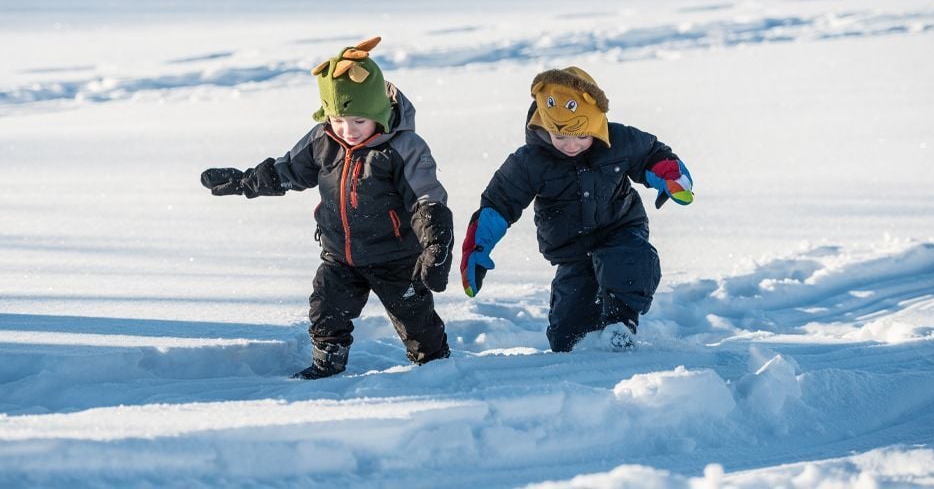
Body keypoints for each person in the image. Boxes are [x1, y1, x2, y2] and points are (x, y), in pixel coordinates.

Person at [201, 37, 453, 379]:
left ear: (378, 112)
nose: (348, 131)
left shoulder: (403, 148)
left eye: (359, 122)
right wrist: (245, 181)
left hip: (395, 257)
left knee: (416, 319)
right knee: (325, 310)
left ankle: (436, 366)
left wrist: (436, 244)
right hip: (340, 255)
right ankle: (328, 362)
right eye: (339, 120)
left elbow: (426, 198)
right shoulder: (322, 140)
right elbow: (287, 171)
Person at [459, 66, 693, 352]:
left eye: (581, 136)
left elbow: (652, 154)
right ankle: (578, 349)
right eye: (561, 138)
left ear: (595, 125)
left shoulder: (618, 141)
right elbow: (499, 202)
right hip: (571, 249)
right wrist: (478, 248)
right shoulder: (530, 162)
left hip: (619, 228)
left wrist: (671, 177)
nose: (571, 146)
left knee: (628, 261)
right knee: (568, 333)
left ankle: (621, 326)